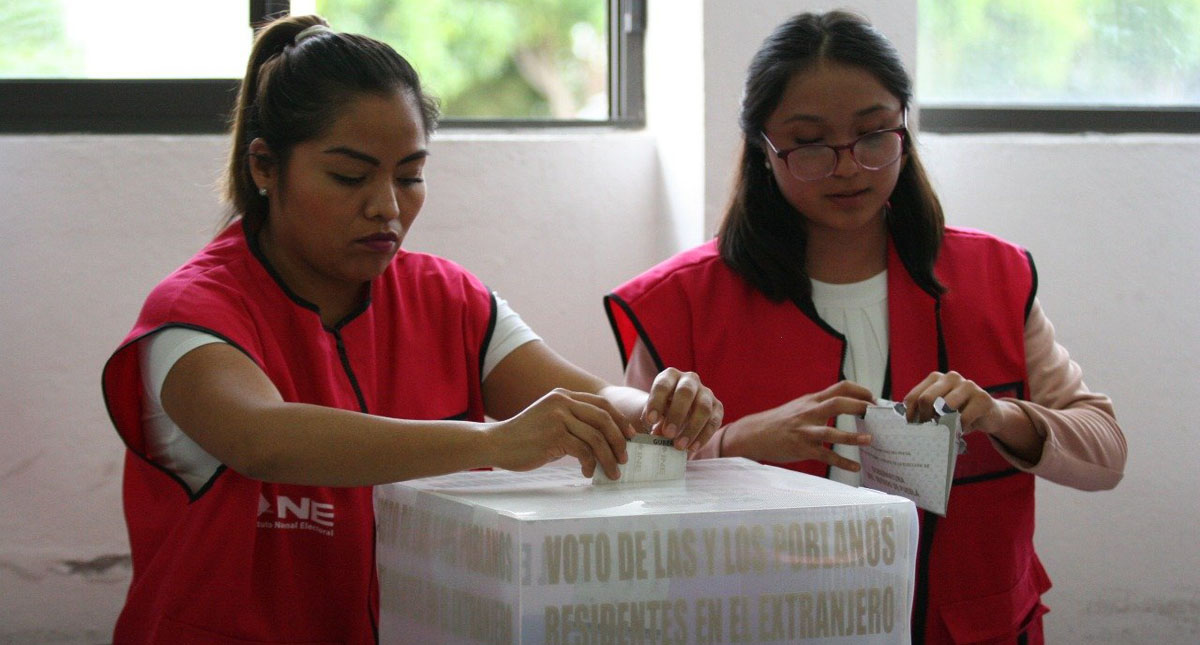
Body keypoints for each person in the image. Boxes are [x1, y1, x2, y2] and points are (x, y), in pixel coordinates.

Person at [101, 14, 722, 643]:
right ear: (264, 166)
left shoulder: (446, 298)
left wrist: (657, 407)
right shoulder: (193, 312)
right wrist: (491, 443)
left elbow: (588, 399)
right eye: (349, 177)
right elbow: (263, 439)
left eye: (410, 175)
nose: (387, 207)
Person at [604, 10, 1126, 645]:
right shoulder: (682, 301)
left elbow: (1105, 452)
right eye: (812, 144)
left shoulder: (992, 276)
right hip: (758, 624)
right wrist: (741, 441)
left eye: (875, 135)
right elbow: (624, 488)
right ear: (764, 151)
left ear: (904, 129)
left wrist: (1002, 416)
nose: (850, 167)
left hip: (969, 626)